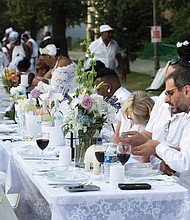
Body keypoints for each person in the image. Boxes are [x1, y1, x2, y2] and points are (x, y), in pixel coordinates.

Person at [123, 67, 190, 189]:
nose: (166, 99)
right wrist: (135, 141)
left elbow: (184, 162)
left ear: (187, 91)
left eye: (171, 93)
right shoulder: (186, 115)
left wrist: (156, 147)